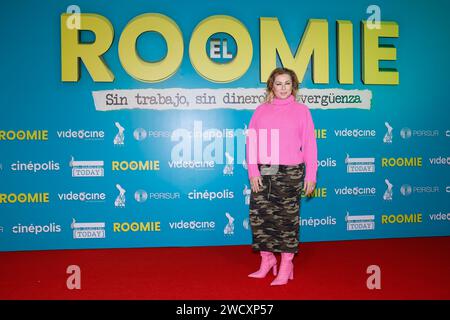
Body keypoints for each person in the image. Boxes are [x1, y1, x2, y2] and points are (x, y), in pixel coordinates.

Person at [245, 67, 318, 286]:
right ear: (271, 86)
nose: (283, 88)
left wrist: (311, 174)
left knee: (287, 219)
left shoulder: (302, 111)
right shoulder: (260, 110)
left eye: (288, 83)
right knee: (261, 217)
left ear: (293, 86)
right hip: (266, 169)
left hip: (291, 171)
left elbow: (310, 145)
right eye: (279, 83)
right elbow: (252, 143)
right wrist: (253, 170)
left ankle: (286, 264)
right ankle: (267, 261)